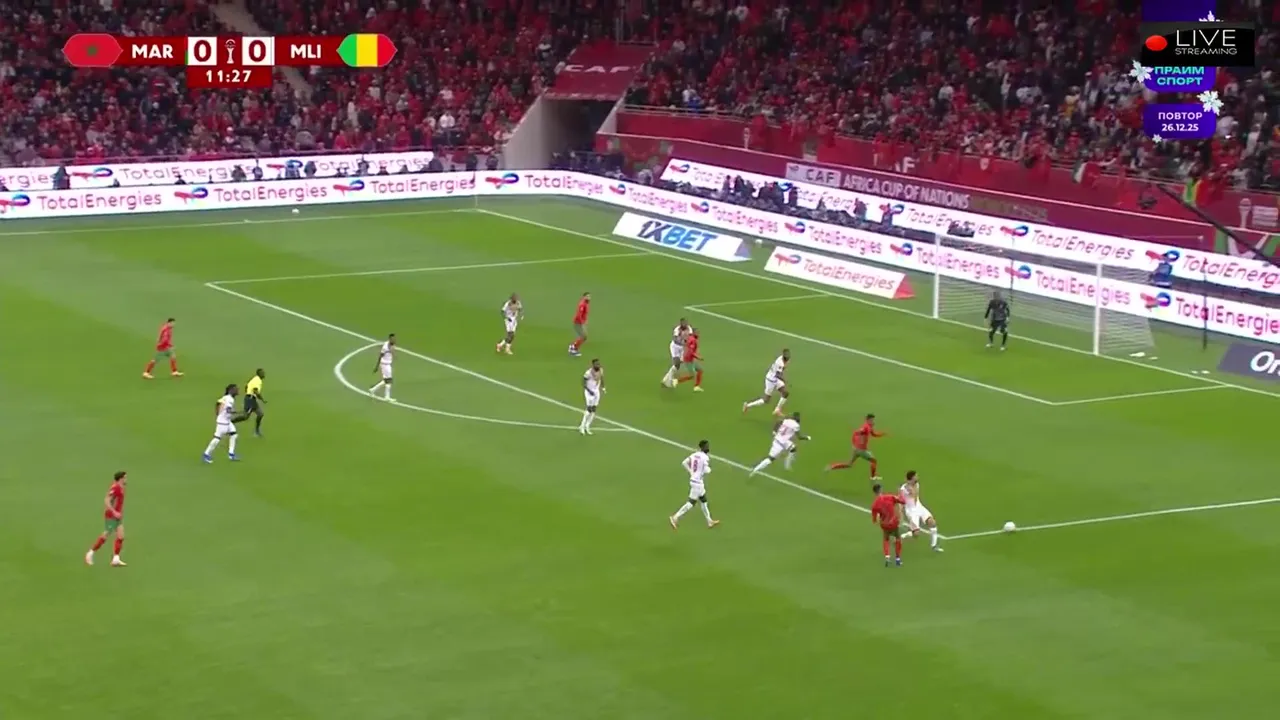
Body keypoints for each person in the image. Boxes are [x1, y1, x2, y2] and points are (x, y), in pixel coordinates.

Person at [670, 440, 719, 529]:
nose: (708, 448)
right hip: (697, 483)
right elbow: (706, 470)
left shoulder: (694, 455)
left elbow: (684, 463)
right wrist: (709, 470)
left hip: (695, 481)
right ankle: (675, 517)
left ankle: (709, 521)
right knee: (691, 503)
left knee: (703, 500)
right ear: (703, 447)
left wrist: (691, 472)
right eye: (707, 446)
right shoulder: (705, 457)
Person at [85, 471, 128, 567]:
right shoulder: (115, 488)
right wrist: (114, 512)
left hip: (117, 516)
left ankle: (116, 559)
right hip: (111, 516)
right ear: (121, 478)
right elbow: (107, 500)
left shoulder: (121, 488)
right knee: (106, 535)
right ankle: (90, 553)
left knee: (120, 536)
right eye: (125, 478)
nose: (126, 479)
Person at [742, 349, 790, 416]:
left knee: (785, 393)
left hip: (775, 379)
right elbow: (778, 374)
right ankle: (747, 405)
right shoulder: (780, 363)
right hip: (771, 381)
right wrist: (785, 380)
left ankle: (777, 410)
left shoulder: (781, 358)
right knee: (766, 400)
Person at [870, 483, 906, 567]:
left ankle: (887, 557)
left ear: (874, 492)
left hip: (885, 524)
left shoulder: (874, 505)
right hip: (893, 523)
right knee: (898, 539)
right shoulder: (890, 497)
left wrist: (879, 521)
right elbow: (903, 501)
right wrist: (900, 494)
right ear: (881, 489)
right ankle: (897, 559)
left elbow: (874, 520)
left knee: (886, 539)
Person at [202, 384, 240, 463]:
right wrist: (236, 412)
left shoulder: (225, 397)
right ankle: (206, 454)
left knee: (234, 434)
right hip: (223, 422)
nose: (238, 391)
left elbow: (218, 402)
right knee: (217, 438)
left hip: (226, 421)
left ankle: (231, 454)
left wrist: (218, 413)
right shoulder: (230, 399)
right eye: (236, 389)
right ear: (231, 390)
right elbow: (228, 410)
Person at [368, 334, 396, 402]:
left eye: (394, 339)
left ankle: (372, 390)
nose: (394, 340)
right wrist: (377, 366)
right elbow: (380, 356)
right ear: (389, 339)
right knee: (389, 381)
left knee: (385, 380)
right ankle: (387, 397)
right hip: (385, 365)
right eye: (392, 339)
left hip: (387, 364)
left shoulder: (391, 345)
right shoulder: (385, 347)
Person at [580, 358, 604, 435]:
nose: (598, 365)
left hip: (596, 392)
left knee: (594, 409)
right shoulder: (588, 372)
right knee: (589, 409)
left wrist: (603, 387)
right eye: (596, 364)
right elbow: (583, 383)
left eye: (598, 364)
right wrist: (589, 391)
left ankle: (587, 426)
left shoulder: (601, 370)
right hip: (589, 392)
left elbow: (602, 378)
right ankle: (582, 426)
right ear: (593, 365)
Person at [241, 368, 266, 437]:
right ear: (259, 374)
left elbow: (247, 386)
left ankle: (257, 431)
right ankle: (230, 422)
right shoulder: (257, 380)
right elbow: (255, 390)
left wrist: (248, 392)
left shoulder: (255, 379)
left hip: (252, 399)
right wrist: (262, 399)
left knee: (260, 414)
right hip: (250, 400)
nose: (264, 374)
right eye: (262, 373)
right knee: (245, 417)